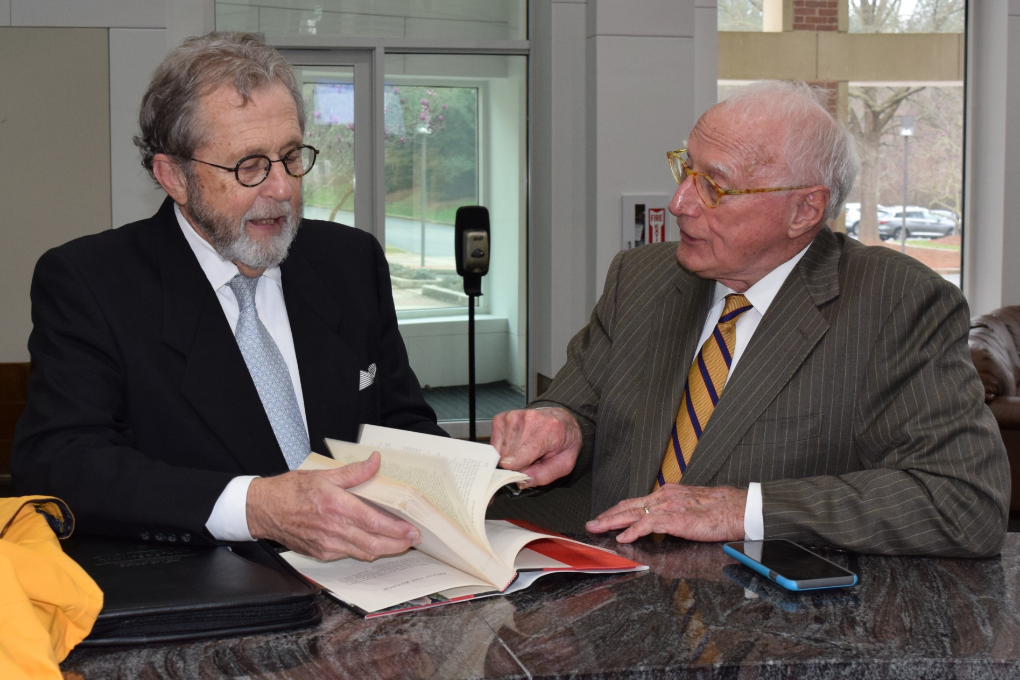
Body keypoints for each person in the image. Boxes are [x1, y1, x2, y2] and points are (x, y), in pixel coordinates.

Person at [491, 80, 1009, 556]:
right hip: (606, 595)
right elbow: (579, 404)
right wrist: (558, 424)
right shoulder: (640, 277)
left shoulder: (896, 302)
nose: (679, 202)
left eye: (714, 186)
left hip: (770, 628)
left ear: (805, 210)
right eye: (684, 169)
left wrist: (745, 510)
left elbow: (962, 500)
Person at [12, 33, 445, 562]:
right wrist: (256, 508)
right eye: (249, 166)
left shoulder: (350, 261)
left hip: (374, 578)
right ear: (174, 176)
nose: (282, 188)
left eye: (290, 156)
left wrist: (481, 471)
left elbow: (403, 424)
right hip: (211, 596)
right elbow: (61, 460)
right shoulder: (91, 282)